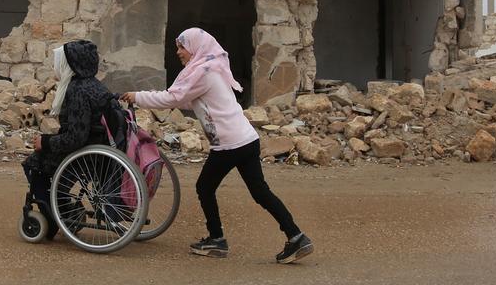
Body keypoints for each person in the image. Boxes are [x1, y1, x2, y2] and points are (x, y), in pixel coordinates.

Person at [121, 28, 312, 264]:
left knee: (204, 187)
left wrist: (136, 96)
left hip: (230, 145)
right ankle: (296, 236)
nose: (179, 52)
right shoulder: (211, 67)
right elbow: (192, 100)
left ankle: (216, 239)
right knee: (260, 192)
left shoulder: (201, 73)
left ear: (195, 47)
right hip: (246, 139)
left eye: (182, 47)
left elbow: (173, 98)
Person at [23, 40, 126, 232]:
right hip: (98, 149)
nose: (56, 66)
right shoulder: (95, 85)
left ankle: (53, 219)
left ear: (71, 64)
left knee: (33, 164)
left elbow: (75, 138)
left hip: (86, 154)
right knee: (50, 161)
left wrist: (45, 142)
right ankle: (65, 209)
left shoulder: (77, 91)